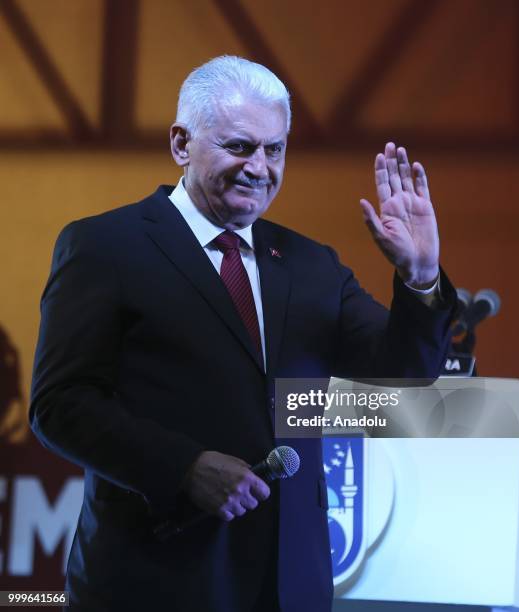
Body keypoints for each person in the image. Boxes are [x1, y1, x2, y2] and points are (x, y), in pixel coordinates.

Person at [30, 55, 455, 612]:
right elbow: (60, 404)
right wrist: (182, 468)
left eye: (274, 149)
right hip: (154, 579)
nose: (259, 166)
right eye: (239, 146)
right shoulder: (105, 246)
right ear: (182, 144)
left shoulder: (311, 264)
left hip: (290, 587)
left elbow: (403, 380)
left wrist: (420, 277)